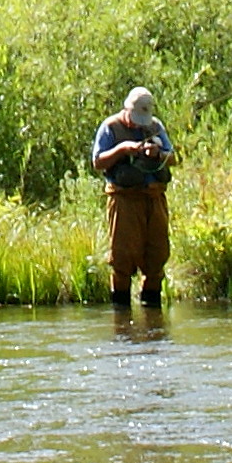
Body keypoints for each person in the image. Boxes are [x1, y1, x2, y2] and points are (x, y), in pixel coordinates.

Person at [91, 85, 173, 312]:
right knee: (122, 259)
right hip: (124, 200)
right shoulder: (110, 127)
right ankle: (121, 317)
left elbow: (174, 158)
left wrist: (158, 154)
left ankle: (153, 316)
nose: (139, 124)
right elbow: (98, 162)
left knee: (157, 256)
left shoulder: (155, 127)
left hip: (154, 199)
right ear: (127, 109)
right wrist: (122, 150)